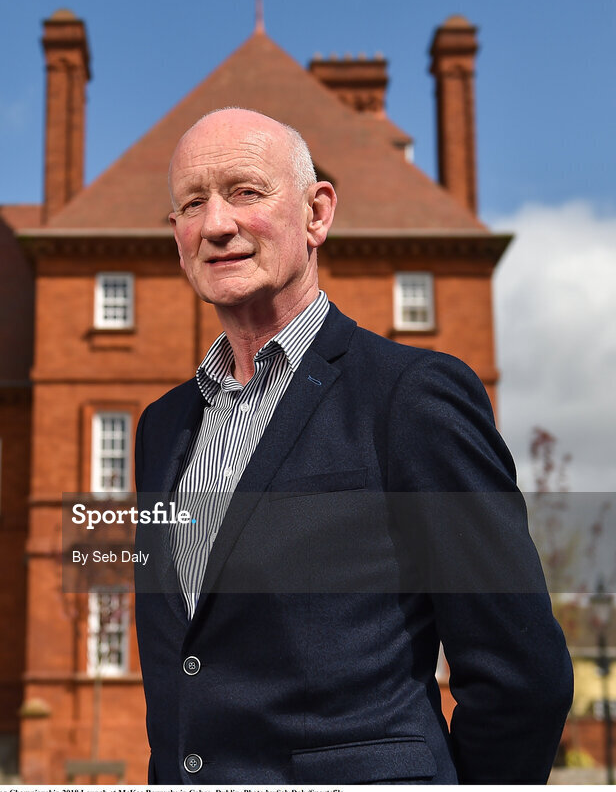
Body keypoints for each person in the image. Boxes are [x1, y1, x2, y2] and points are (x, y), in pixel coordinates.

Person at [132, 107, 573, 784]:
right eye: (192, 203)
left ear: (316, 213)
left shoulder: (411, 398)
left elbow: (521, 676)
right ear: (176, 236)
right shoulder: (161, 429)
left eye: (245, 192)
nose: (215, 223)